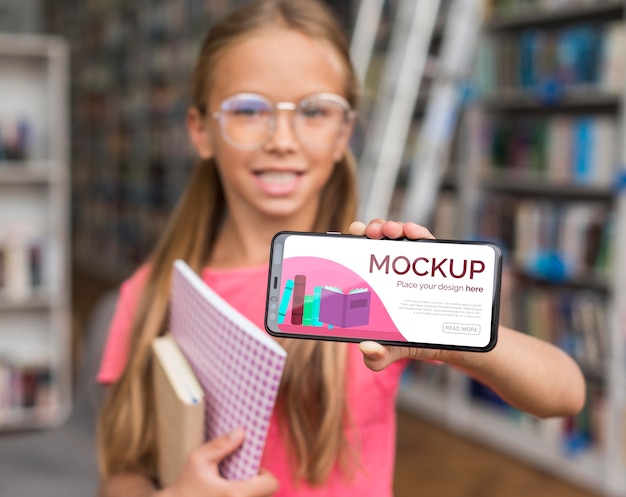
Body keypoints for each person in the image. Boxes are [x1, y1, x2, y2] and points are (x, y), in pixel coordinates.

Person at [95, 1, 586, 496]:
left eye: (313, 111)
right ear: (201, 130)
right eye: (249, 109)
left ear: (343, 135)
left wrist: (448, 325)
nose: (282, 139)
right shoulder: (151, 293)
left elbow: (565, 392)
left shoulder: (373, 278)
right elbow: (122, 472)